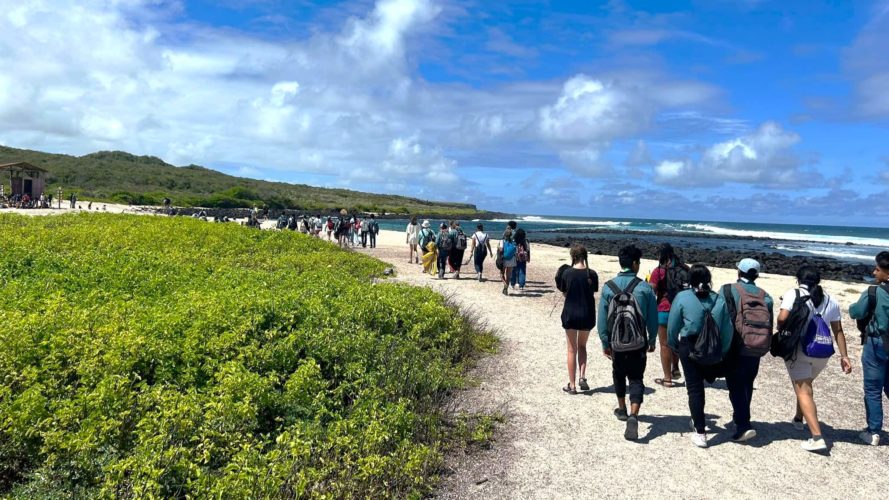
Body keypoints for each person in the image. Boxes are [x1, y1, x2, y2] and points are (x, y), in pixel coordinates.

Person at [778, 265, 852, 452]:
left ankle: (817, 436)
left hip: (800, 350)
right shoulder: (831, 300)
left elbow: (781, 318)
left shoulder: (793, 294)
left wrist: (783, 327)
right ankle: (798, 418)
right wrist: (845, 356)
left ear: (798, 279)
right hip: (822, 351)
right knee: (805, 386)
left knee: (804, 391)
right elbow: (838, 330)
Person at [667, 264, 733, 448]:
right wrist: (724, 350)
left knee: (695, 389)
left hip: (689, 346)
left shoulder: (682, 297)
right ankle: (698, 422)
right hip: (712, 346)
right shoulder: (718, 299)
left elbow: (673, 325)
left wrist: (673, 344)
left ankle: (700, 430)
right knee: (702, 383)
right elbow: (727, 329)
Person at [597, 245, 658, 440]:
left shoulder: (609, 287)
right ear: (634, 264)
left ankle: (622, 408)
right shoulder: (645, 288)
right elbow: (652, 319)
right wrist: (652, 339)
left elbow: (602, 320)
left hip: (616, 342)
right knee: (637, 377)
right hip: (638, 342)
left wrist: (605, 342)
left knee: (618, 373)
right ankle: (634, 414)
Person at [719, 258, 774, 443]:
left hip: (736, 345)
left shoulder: (728, 290)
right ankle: (741, 417)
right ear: (756, 275)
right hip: (756, 346)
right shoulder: (766, 296)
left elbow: (721, 318)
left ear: (738, 272)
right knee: (747, 382)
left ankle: (743, 425)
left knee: (734, 385)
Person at [849, 251, 889, 446]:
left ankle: (873, 431)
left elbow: (856, 312)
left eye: (878, 269)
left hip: (877, 343)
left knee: (873, 389)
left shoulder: (874, 292)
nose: (874, 272)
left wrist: (852, 307)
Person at [557, 244, 599, 394]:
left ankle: (572, 385)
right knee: (582, 346)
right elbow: (593, 291)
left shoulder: (567, 273)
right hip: (587, 314)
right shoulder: (591, 274)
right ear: (585, 256)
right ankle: (582, 376)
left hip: (570, 314)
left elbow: (564, 291)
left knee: (571, 349)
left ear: (573, 257)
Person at [649, 243, 685, 388]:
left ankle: (667, 378)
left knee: (665, 345)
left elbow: (651, 290)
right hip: (680, 310)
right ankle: (675, 368)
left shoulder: (658, 272)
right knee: (675, 340)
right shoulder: (683, 269)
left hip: (663, 309)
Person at [498, 228, 517, 295]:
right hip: (512, 260)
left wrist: (498, 247)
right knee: (508, 276)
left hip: (504, 260)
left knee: (501, 274)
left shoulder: (502, 241)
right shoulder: (514, 242)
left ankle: (505, 284)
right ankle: (505, 290)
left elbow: (501, 250)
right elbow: (515, 252)